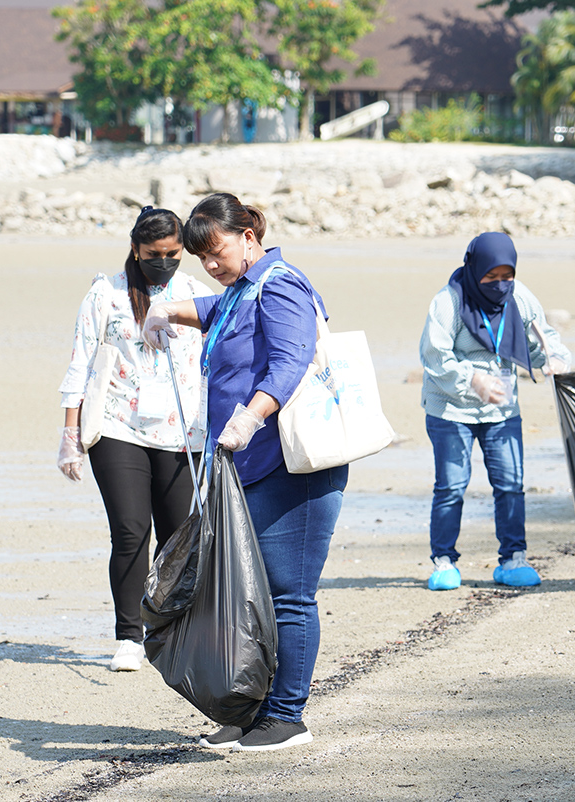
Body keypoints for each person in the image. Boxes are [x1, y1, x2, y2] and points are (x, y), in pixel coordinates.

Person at [141, 192, 339, 753]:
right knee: (249, 592)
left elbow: (292, 359)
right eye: (199, 257)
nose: (209, 265)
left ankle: (287, 716)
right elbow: (215, 314)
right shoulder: (240, 289)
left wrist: (251, 416)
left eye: (217, 252)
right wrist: (167, 311)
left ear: (248, 238)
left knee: (288, 594)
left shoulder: (280, 283)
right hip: (245, 466)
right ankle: (253, 712)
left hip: (292, 465)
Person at [57, 206, 214, 672]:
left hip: (181, 430)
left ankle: (168, 629)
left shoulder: (196, 294)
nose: (164, 261)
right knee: (130, 531)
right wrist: (70, 432)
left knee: (175, 537)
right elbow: (80, 364)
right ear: (135, 249)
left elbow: (218, 361)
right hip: (117, 426)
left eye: (173, 253)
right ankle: (129, 636)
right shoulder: (104, 295)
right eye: (153, 254)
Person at [419, 233, 569, 592]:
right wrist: (473, 381)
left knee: (510, 484)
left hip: (502, 409)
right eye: (491, 277)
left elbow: (541, 337)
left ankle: (513, 558)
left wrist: (555, 359)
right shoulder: (448, 302)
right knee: (452, 486)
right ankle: (444, 561)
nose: (500, 285)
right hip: (451, 409)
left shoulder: (519, 297)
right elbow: (434, 356)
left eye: (507, 276)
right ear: (474, 270)